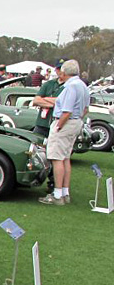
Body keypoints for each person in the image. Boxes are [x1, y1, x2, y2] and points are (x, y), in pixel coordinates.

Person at [39, 59, 89, 205]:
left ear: (64, 72)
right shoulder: (82, 85)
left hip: (65, 122)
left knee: (57, 158)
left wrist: (58, 126)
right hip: (76, 122)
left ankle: (57, 194)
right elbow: (85, 109)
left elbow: (66, 111)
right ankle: (64, 192)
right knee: (65, 157)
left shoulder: (71, 87)